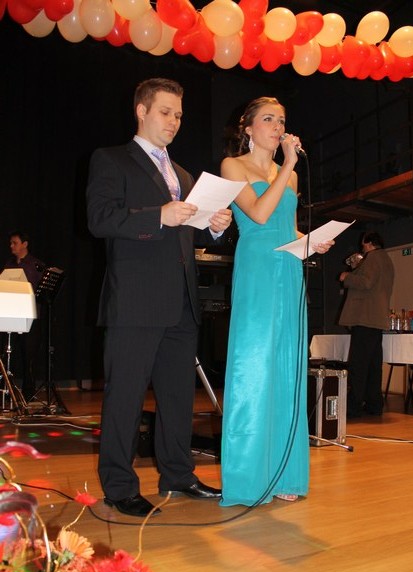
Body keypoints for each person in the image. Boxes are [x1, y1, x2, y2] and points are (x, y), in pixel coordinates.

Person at [87, 78, 232, 518]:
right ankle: (119, 486)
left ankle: (178, 474)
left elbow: (184, 233)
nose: (174, 121)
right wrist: (159, 216)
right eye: (166, 112)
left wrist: (213, 227)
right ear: (142, 110)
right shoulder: (111, 159)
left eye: (179, 115)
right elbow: (99, 219)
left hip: (181, 302)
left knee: (177, 398)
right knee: (125, 398)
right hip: (135, 300)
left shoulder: (184, 176)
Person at [219, 97, 333, 507]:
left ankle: (285, 473)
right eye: (268, 119)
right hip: (257, 271)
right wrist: (287, 165)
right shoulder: (233, 166)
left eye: (281, 120)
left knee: (288, 368)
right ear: (248, 127)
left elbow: (288, 227)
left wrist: (312, 241)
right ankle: (249, 477)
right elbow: (259, 215)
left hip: (288, 271)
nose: (277, 126)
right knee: (254, 367)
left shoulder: (291, 176)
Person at [339, 231, 394, 418]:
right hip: (376, 319)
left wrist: (347, 276)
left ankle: (353, 407)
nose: (362, 248)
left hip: (365, 317)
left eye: (363, 245)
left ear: (369, 243)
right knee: (373, 365)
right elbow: (373, 283)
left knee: (359, 365)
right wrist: (357, 268)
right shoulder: (386, 259)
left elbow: (367, 282)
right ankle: (374, 404)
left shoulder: (373, 257)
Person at [1, 231, 45, 401]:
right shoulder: (9, 265)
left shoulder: (36, 265)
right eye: (11, 243)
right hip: (10, 316)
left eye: (15, 242)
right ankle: (7, 391)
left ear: (25, 244)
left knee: (29, 356)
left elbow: (41, 291)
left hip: (30, 317)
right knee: (7, 353)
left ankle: (28, 393)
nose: (11, 246)